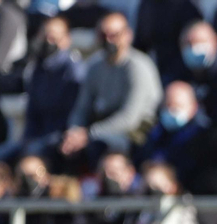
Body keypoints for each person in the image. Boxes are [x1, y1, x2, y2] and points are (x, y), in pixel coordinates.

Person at [60, 13, 161, 165]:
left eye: (114, 35)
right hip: (101, 126)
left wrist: (88, 134)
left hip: (137, 131)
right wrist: (74, 131)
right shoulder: (94, 66)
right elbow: (81, 108)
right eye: (103, 35)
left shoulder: (138, 67)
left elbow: (130, 118)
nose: (108, 40)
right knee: (61, 149)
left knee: (97, 148)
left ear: (128, 35)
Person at [0, 16, 85, 161]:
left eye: (53, 36)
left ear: (66, 39)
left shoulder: (73, 71)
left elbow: (73, 116)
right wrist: (27, 140)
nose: (48, 40)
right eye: (44, 35)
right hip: (37, 137)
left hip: (59, 139)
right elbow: (32, 113)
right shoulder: (37, 68)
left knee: (32, 152)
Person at [133, 81, 207, 184]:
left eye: (177, 106)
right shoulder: (153, 134)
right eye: (168, 105)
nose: (172, 110)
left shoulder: (201, 137)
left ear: (193, 107)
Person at [167, 20, 217, 116]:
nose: (194, 48)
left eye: (200, 42)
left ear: (215, 40)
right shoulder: (179, 72)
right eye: (189, 44)